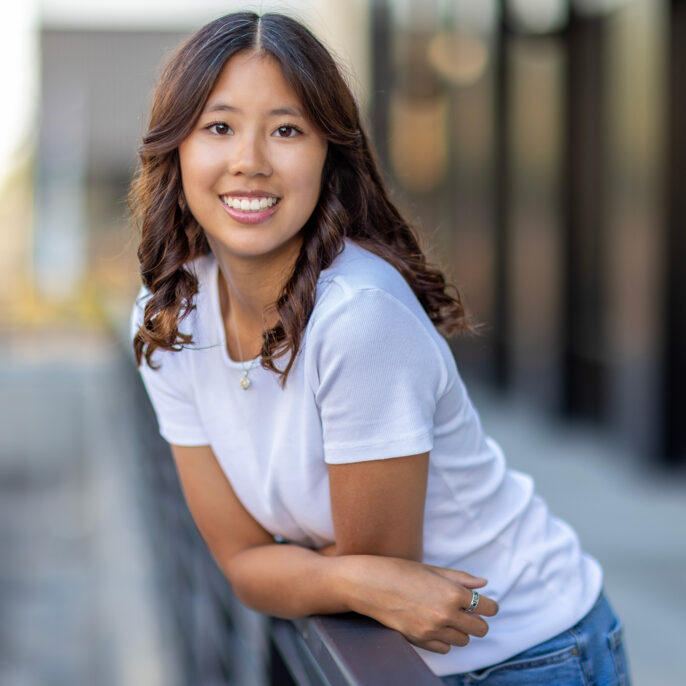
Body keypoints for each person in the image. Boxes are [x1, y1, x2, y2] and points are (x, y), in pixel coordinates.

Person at [130, 11, 630, 685]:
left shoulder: (359, 317)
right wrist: (344, 575)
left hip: (528, 652)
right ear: (178, 149)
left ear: (327, 155)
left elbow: (375, 568)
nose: (249, 160)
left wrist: (321, 571)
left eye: (286, 130)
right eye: (219, 127)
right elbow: (251, 566)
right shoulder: (169, 319)